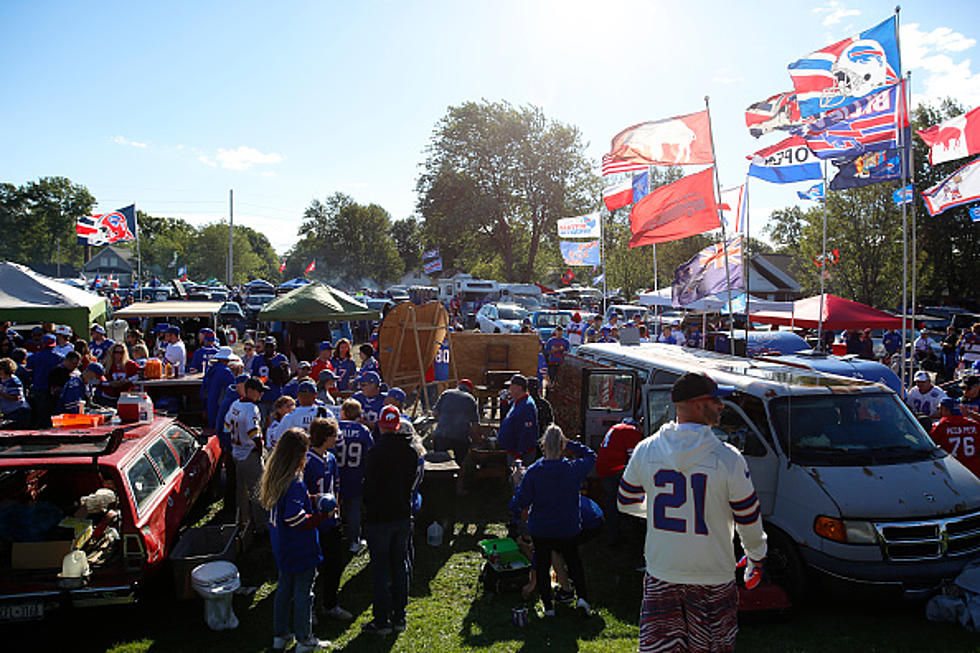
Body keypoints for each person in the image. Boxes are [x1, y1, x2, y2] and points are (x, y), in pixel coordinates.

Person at [618, 371, 767, 653]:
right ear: (698, 404)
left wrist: (668, 514)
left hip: (663, 570)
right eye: (716, 400)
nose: (722, 406)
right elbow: (748, 519)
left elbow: (626, 500)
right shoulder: (728, 458)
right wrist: (756, 557)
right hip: (712, 575)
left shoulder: (645, 449)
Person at [509, 424, 596, 617]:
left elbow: (521, 501)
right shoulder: (572, 469)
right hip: (568, 526)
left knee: (542, 565)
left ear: (543, 446)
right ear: (562, 446)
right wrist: (570, 443)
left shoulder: (533, 471)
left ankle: (548, 607)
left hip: (542, 528)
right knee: (574, 562)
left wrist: (517, 484)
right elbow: (591, 456)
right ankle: (582, 598)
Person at [258, 427, 330, 653]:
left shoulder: (275, 477)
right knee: (303, 594)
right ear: (298, 454)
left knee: (283, 590)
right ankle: (304, 639)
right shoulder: (294, 482)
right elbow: (294, 518)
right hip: (300, 547)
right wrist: (321, 516)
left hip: (282, 545)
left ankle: (280, 636)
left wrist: (311, 498)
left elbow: (284, 507)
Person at [361, 405, 421, 635]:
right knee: (400, 566)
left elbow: (370, 487)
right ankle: (399, 617)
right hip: (402, 514)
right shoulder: (411, 451)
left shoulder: (376, 452)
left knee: (381, 569)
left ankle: (382, 620)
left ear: (381, 425)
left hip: (380, 517)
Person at [304, 418, 352, 622]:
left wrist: (337, 509)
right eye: (334, 435)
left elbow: (336, 486)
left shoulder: (331, 458)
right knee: (313, 567)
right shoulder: (306, 461)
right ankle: (309, 608)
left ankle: (330, 604)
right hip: (315, 522)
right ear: (324, 437)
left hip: (332, 521)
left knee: (335, 563)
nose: (336, 439)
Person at [226, 377, 269, 532]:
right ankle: (262, 526)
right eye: (259, 391)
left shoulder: (234, 404)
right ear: (250, 390)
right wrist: (261, 450)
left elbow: (226, 426)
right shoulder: (252, 408)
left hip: (237, 452)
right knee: (258, 491)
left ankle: (244, 523)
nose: (261, 395)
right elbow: (255, 434)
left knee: (242, 492)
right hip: (250, 453)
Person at [595, 417, 644, 546]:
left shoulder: (616, 428)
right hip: (614, 469)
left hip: (603, 469)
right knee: (631, 497)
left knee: (611, 500)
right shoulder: (632, 431)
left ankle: (612, 533)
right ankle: (630, 535)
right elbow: (635, 459)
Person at [336, 399, 375, 553]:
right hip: (355, 475)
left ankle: (335, 537)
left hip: (337, 474)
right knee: (354, 509)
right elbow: (370, 454)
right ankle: (354, 540)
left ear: (343, 412)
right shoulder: (363, 430)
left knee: (334, 507)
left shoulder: (335, 428)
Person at [432, 380, 480, 493]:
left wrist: (444, 421)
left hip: (441, 434)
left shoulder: (446, 393)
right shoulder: (471, 399)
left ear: (458, 386)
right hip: (461, 437)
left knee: (439, 460)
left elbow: (435, 414)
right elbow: (475, 425)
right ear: (470, 390)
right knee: (461, 463)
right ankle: (458, 488)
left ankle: (437, 487)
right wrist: (477, 439)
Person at [930, 398, 980, 478]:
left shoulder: (941, 426)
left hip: (952, 471)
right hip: (974, 471)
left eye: (939, 408)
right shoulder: (974, 425)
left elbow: (930, 444)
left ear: (946, 410)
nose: (938, 411)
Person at [497, 374, 539, 465]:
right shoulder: (517, 401)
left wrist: (519, 454)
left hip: (521, 454)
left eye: (511, 387)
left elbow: (526, 433)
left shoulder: (526, 406)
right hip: (513, 451)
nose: (509, 390)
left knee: (518, 478)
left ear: (519, 388)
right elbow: (506, 414)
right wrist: (503, 402)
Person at [26, 333, 63, 425]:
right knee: (53, 414)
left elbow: (28, 369)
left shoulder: (35, 357)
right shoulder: (60, 358)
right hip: (54, 390)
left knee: (41, 414)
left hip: (38, 388)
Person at [202, 347, 240, 432]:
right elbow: (234, 388)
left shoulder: (211, 369)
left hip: (210, 403)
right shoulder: (225, 372)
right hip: (220, 405)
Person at [0, 357, 31, 428]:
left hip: (19, 412)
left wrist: (1, 394)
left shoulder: (14, 381)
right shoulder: (2, 380)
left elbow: (16, 397)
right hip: (8, 412)